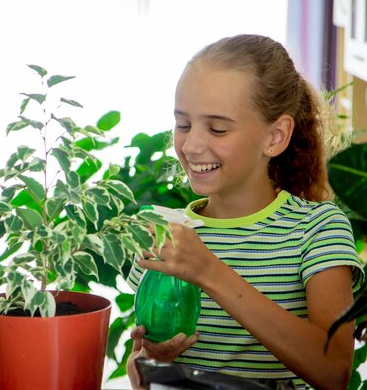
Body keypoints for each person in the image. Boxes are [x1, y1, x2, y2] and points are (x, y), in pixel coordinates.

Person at [126, 34, 364, 390]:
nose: (191, 145)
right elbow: (140, 368)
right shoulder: (167, 235)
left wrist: (209, 271)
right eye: (183, 124)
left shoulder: (317, 230)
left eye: (217, 128)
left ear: (275, 136)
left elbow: (333, 372)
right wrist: (150, 361)